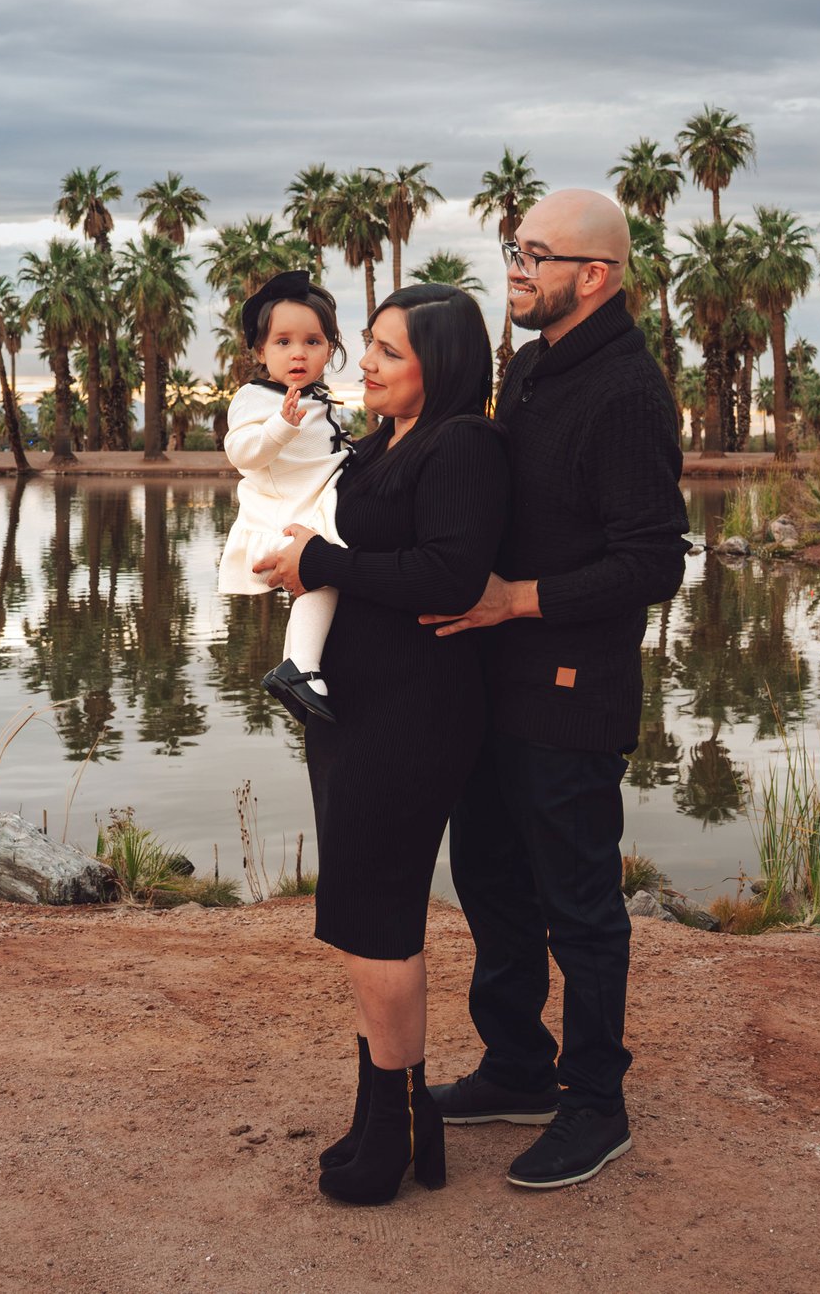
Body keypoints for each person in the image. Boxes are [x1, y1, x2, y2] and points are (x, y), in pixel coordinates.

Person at [419, 189, 688, 1190]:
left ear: (596, 275)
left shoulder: (625, 393)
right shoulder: (530, 367)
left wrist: (518, 598)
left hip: (570, 690)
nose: (514, 266)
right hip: (493, 682)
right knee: (491, 881)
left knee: (579, 906)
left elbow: (653, 560)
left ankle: (593, 1104)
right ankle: (518, 1066)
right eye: (512, 246)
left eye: (535, 253)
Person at [254, 283, 507, 1206]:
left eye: (388, 351)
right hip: (354, 705)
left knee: (379, 910)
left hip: (417, 709)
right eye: (369, 346)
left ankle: (399, 1122)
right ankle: (389, 1112)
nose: (363, 361)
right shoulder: (377, 446)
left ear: (437, 366)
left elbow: (450, 570)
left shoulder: (464, 445)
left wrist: (321, 565)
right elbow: (348, 546)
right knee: (362, 908)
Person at [217, 271, 351, 723]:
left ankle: (298, 668)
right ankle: (302, 667)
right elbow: (241, 453)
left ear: (330, 349)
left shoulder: (315, 397)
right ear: (260, 352)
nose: (298, 352)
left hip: (310, 506)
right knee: (325, 573)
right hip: (283, 517)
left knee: (320, 581)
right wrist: (280, 426)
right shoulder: (257, 398)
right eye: (283, 342)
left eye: (313, 341)